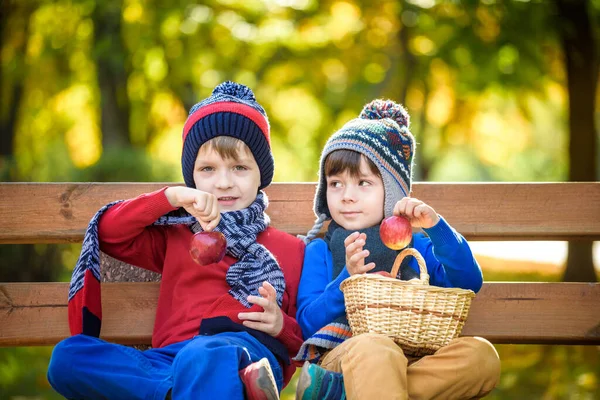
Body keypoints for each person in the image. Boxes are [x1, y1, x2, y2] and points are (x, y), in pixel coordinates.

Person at [47, 81, 305, 400]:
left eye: (239, 167)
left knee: (207, 354)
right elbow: (110, 234)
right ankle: (191, 391)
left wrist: (280, 325)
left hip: (241, 350)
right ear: (192, 177)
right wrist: (170, 197)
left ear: (260, 174)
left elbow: (302, 341)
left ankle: (215, 383)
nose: (224, 182)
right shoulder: (178, 234)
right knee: (68, 358)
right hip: (167, 362)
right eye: (208, 169)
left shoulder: (291, 250)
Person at [294, 99, 500, 400]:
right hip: (346, 355)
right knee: (377, 348)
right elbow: (306, 322)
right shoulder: (320, 251)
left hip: (417, 357)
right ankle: (350, 383)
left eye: (364, 183)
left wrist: (437, 227)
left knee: (481, 357)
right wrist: (345, 281)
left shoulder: (415, 244)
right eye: (336, 184)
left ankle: (337, 394)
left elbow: (469, 282)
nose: (347, 196)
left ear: (391, 191)